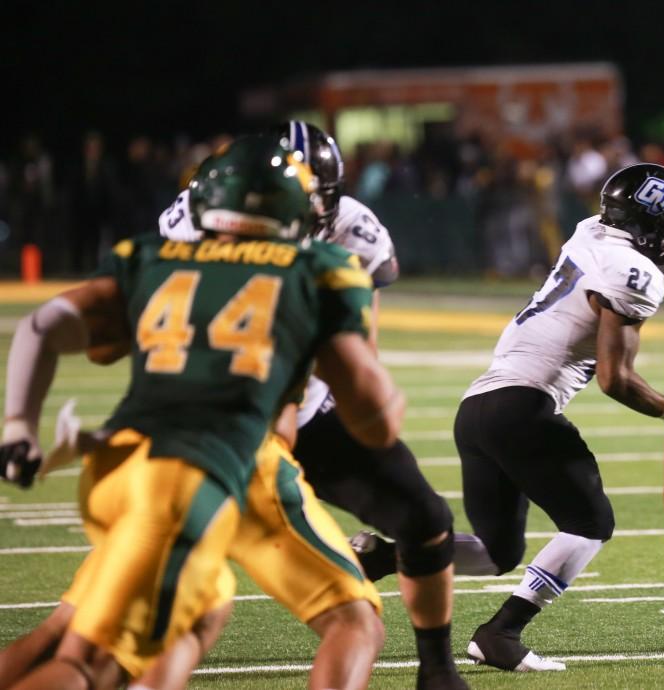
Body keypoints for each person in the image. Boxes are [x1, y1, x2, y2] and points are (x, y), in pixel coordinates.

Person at [0, 134, 403, 690]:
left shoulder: (150, 257)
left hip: (124, 462)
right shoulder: (318, 271)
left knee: (195, 615)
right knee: (90, 664)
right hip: (205, 471)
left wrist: (18, 426)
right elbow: (373, 417)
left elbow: (55, 330)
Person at [159, 121, 466, 690]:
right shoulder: (201, 218)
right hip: (211, 422)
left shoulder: (352, 232)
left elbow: (360, 354)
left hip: (307, 415)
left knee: (424, 517)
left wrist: (362, 404)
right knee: (174, 606)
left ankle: (438, 670)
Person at [449, 164, 664, 672]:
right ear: (645, 224)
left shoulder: (589, 231)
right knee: (590, 523)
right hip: (524, 407)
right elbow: (615, 379)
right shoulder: (634, 274)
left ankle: (382, 555)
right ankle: (501, 632)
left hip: (476, 408)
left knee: (497, 551)